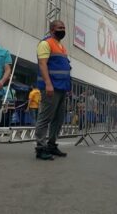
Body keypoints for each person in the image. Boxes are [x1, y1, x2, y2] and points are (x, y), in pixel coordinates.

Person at [35, 20, 71, 160]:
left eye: (63, 27)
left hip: (62, 88)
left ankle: (51, 144)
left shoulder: (61, 46)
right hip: (51, 87)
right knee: (45, 117)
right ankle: (40, 148)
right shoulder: (45, 43)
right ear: (51, 30)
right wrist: (48, 84)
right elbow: (42, 64)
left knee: (58, 119)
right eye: (59, 28)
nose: (62, 30)